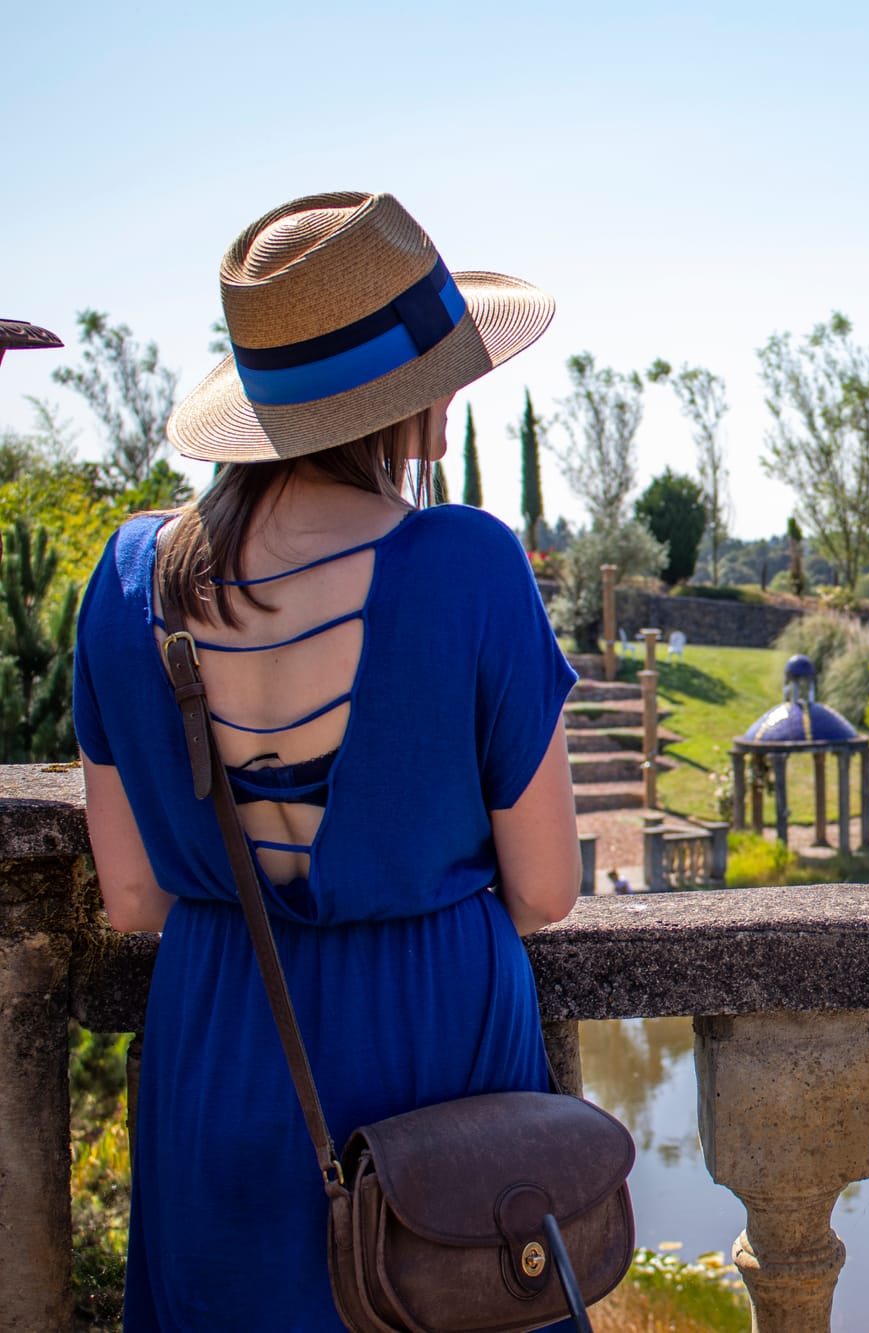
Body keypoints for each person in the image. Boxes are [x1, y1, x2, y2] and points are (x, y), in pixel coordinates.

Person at [72, 192, 579, 1329]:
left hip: (221, 1044)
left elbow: (132, 896)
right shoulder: (469, 565)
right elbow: (545, 892)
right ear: (404, 394)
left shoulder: (125, 581)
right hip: (437, 1059)